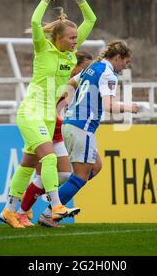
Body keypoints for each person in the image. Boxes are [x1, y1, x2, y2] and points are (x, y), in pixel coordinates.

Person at [0, 0, 97, 228]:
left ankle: (9, 210)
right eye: (72, 38)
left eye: (77, 38)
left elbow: (92, 20)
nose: (76, 41)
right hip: (31, 111)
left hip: (48, 115)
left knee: (27, 165)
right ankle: (56, 206)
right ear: (59, 38)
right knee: (49, 159)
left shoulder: (70, 54)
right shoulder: (43, 49)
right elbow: (34, 21)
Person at [37, 40, 138, 226]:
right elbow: (109, 106)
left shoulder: (92, 67)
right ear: (118, 57)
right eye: (126, 62)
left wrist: (64, 105)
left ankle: (58, 196)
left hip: (72, 124)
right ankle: (50, 212)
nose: (125, 67)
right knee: (81, 176)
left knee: (96, 166)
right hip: (81, 127)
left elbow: (69, 84)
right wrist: (129, 107)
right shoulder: (109, 74)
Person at [15, 52, 101, 228]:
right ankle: (24, 212)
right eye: (84, 68)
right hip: (45, 130)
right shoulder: (58, 83)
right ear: (75, 68)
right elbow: (48, 109)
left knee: (93, 167)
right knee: (46, 175)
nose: (86, 73)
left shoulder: (79, 86)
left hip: (62, 131)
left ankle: (50, 200)